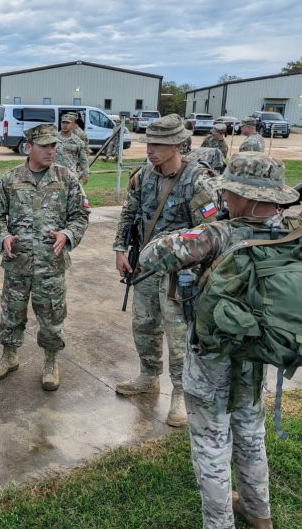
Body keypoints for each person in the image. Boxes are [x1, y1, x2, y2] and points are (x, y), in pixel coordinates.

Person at [137, 152, 302, 529]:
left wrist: (214, 225)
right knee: (251, 433)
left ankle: (218, 524)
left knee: (211, 444)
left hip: (212, 358)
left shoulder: (215, 235)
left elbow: (151, 255)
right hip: (258, 353)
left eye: (229, 193)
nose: (224, 199)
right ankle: (258, 513)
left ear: (245, 199)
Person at [112, 113, 219, 427]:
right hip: (146, 266)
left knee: (179, 335)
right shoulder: (143, 176)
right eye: (149, 142)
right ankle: (148, 375)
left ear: (177, 145)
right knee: (144, 324)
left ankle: (181, 393)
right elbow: (129, 214)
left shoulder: (198, 179)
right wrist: (120, 249)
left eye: (158, 144)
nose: (151, 149)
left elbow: (211, 231)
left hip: (180, 272)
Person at [0, 123, 90, 391]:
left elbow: (80, 215)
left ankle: (51, 361)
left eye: (54, 145)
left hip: (50, 265)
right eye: (44, 145)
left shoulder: (67, 178)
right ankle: (9, 356)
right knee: (11, 313)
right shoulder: (10, 179)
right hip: (17, 263)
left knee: (52, 316)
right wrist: (3, 237)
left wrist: (67, 234)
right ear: (28, 147)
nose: (51, 150)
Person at [56, 113, 90, 184]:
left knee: (73, 194)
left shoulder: (77, 141)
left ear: (72, 125)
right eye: (63, 122)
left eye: (67, 123)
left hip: (71, 175)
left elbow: (83, 159)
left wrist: (85, 173)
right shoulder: (53, 138)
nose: (65, 125)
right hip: (55, 175)